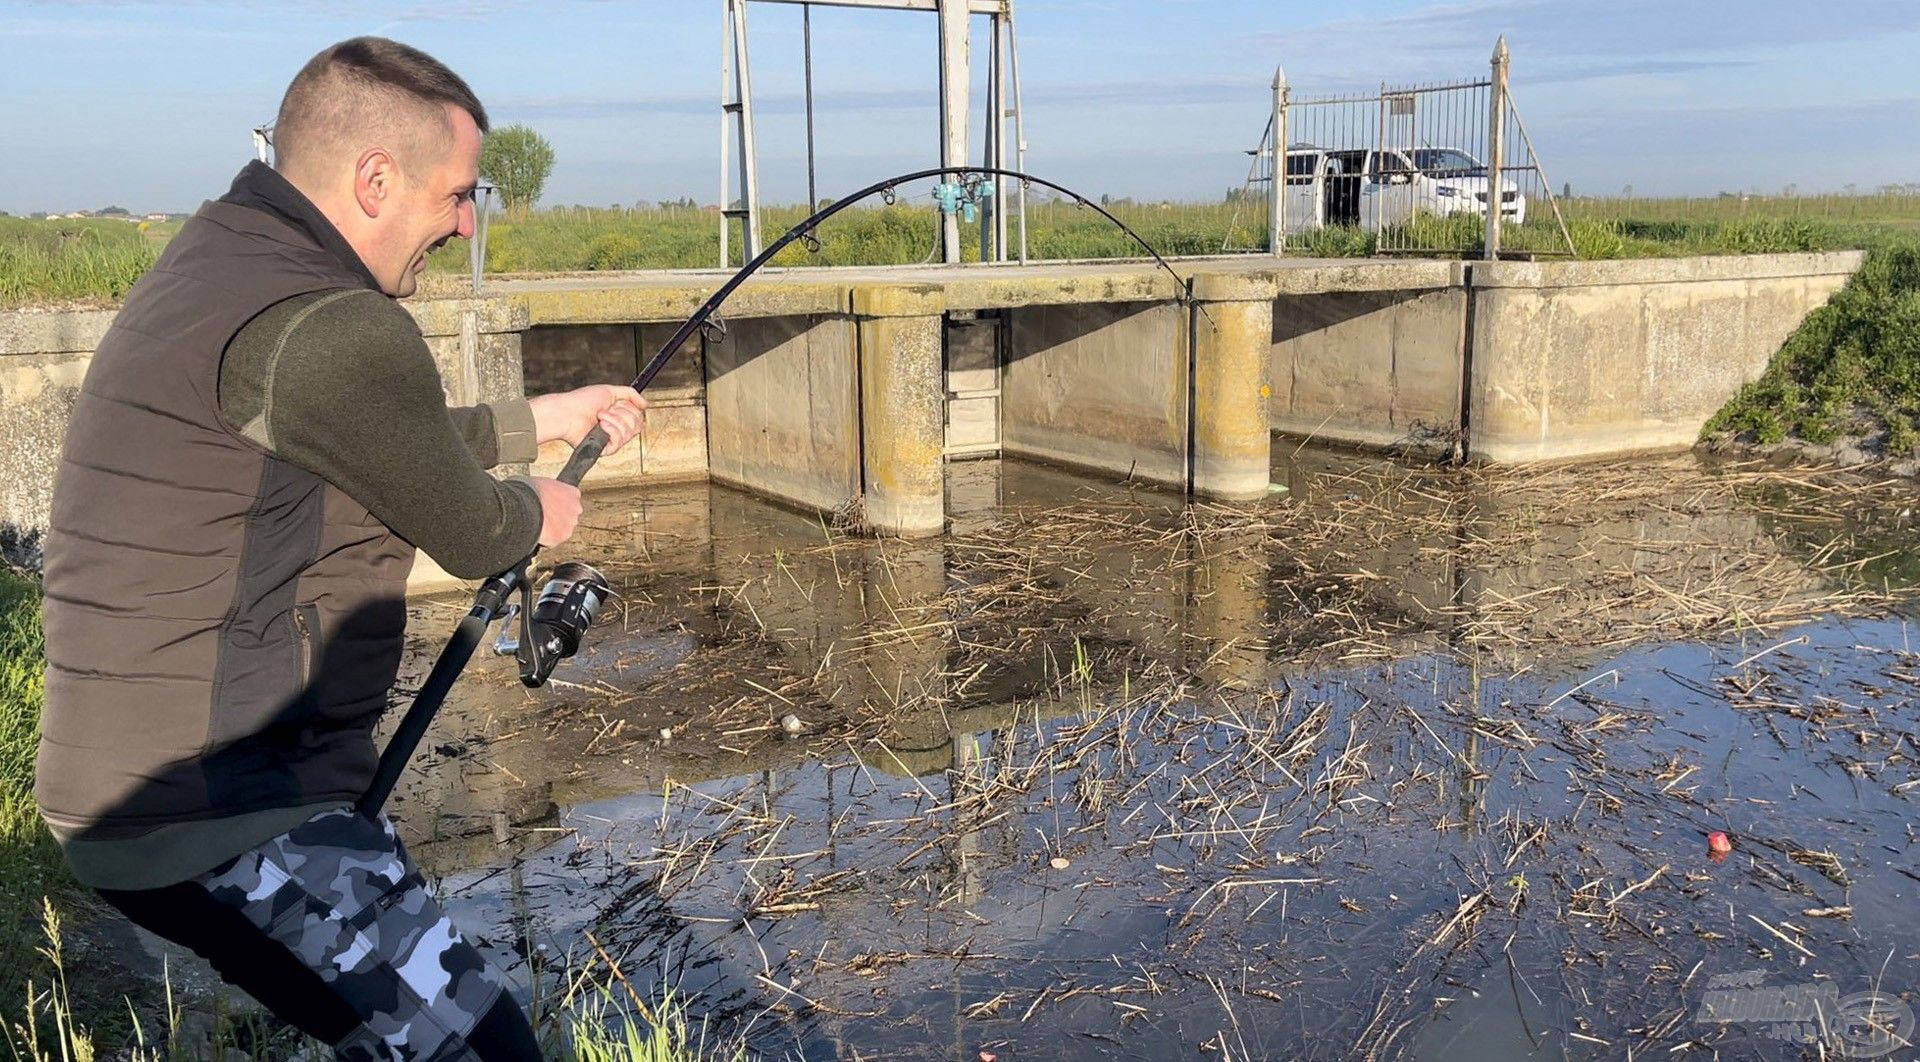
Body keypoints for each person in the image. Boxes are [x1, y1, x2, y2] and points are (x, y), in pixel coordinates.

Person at [34, 37, 644, 1060]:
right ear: (374, 178)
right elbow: (470, 526)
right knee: (484, 1051)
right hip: (216, 812)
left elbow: (375, 436)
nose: (464, 222)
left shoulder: (229, 259)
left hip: (128, 787)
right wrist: (537, 509)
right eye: (457, 194)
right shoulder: (336, 324)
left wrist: (545, 413)